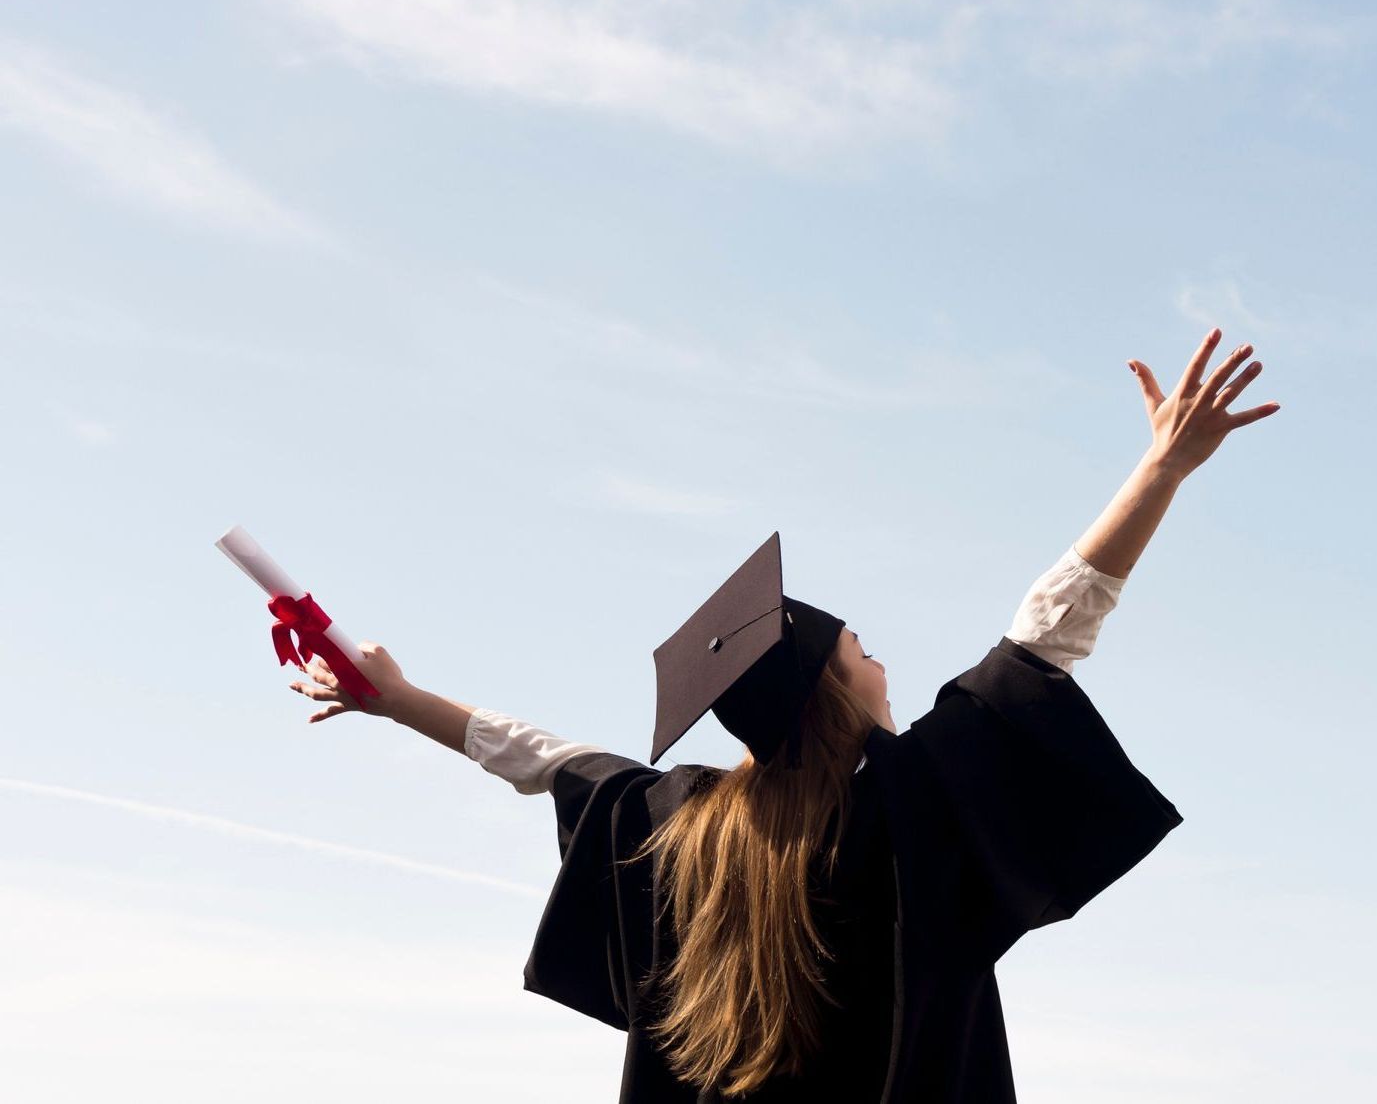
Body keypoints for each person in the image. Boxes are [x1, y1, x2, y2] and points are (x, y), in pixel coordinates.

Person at [291, 327, 1278, 1101]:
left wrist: (402, 702)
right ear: (836, 697)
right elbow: (1046, 634)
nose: (884, 662)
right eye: (864, 652)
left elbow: (553, 763)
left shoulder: (682, 830)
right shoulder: (906, 808)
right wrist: (1161, 471)